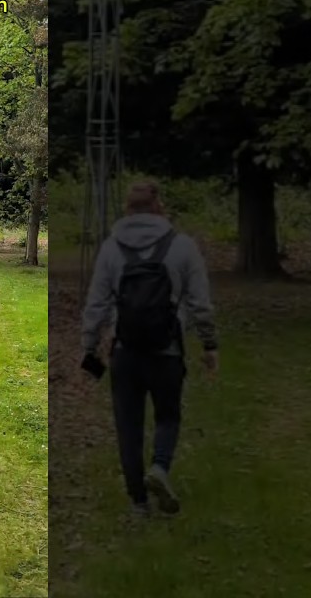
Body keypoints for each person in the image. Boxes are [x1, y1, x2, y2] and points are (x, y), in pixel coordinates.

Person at [80, 181, 219, 519]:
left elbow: (96, 304)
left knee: (128, 427)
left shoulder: (112, 249)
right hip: (167, 349)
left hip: (125, 352)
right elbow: (200, 301)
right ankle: (159, 466)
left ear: (127, 210)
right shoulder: (182, 246)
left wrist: (89, 347)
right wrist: (209, 343)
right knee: (168, 415)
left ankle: (138, 503)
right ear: (160, 207)